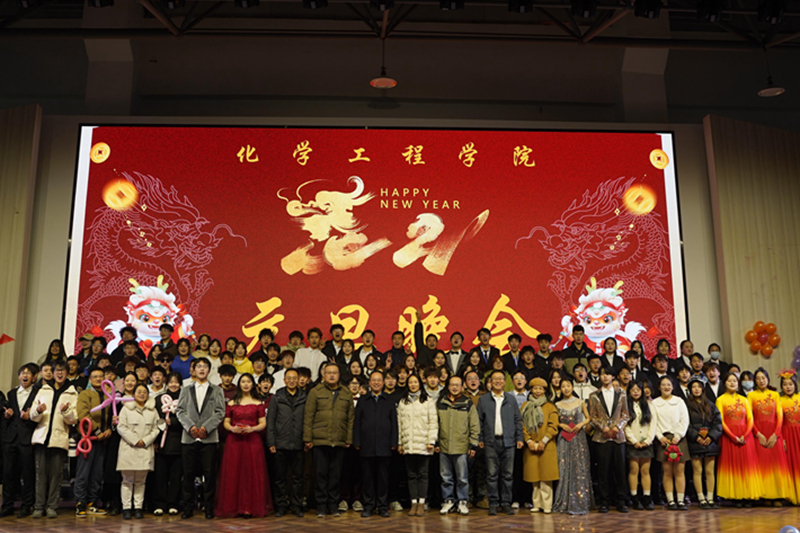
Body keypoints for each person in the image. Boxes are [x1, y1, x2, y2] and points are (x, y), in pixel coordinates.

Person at [175, 357, 226, 519]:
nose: (202, 369)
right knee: (188, 474)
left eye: (205, 366)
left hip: (209, 439)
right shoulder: (185, 389)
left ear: (209, 370)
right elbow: (180, 411)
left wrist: (206, 427)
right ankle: (188, 508)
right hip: (189, 438)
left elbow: (220, 412)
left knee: (209, 475)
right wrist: (190, 426)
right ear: (193, 370)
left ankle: (208, 508)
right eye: (199, 366)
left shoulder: (217, 390)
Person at [303, 362, 355, 517]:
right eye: (329, 372)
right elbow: (308, 416)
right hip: (320, 440)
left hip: (339, 440)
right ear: (324, 375)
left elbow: (350, 419)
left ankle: (333, 505)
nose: (332, 375)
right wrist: (307, 438)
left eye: (335, 373)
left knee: (335, 476)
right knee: (320, 475)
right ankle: (320, 506)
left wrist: (349, 439)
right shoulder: (315, 392)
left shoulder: (346, 393)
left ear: (339, 375)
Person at [216, 373, 270, 518]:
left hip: (253, 441)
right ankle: (234, 507)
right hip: (234, 441)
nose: (246, 384)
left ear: (253, 384)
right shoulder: (232, 403)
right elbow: (226, 422)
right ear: (239, 384)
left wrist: (252, 429)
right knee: (234, 474)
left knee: (252, 474)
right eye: (243, 382)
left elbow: (263, 423)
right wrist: (232, 429)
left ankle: (249, 507)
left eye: (248, 381)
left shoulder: (258, 403)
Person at [29, 361, 78, 519]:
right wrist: (38, 411)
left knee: (56, 476)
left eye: (63, 371)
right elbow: (32, 416)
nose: (60, 373)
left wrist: (66, 411)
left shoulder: (72, 393)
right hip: (41, 438)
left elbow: (74, 420)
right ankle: (38, 506)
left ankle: (51, 506)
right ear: (53, 372)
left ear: (67, 373)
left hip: (59, 438)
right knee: (40, 475)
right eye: (57, 370)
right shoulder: (43, 390)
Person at [476, 370, 523, 516]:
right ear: (490, 382)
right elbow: (479, 421)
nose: (497, 381)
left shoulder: (511, 399)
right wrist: (480, 439)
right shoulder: (483, 400)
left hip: (508, 442)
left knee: (508, 475)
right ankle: (493, 503)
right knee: (491, 474)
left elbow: (517, 420)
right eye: (494, 379)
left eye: (500, 379)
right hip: (490, 442)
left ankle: (506, 503)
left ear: (504, 382)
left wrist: (519, 438)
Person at [749, 367, 797, 505]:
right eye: (758, 378)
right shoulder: (751, 396)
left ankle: (778, 496)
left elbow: (780, 417)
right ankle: (765, 497)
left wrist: (775, 435)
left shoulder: (775, 395)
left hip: (775, 433)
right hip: (759, 434)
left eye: (763, 378)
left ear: (768, 379)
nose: (761, 381)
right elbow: (750, 418)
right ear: (755, 381)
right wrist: (758, 434)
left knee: (777, 465)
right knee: (762, 466)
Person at [353, 370, 398, 518]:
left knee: (383, 479)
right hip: (366, 445)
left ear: (383, 383)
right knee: (367, 478)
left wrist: (394, 442)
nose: (376, 383)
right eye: (374, 380)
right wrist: (357, 441)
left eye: (379, 380)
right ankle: (368, 506)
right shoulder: (363, 400)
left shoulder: (389, 400)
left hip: (384, 445)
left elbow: (394, 423)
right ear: (370, 383)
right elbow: (357, 423)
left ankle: (382, 506)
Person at [715, 372, 763, 507]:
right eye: (729, 381)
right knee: (733, 466)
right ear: (724, 383)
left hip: (745, 436)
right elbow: (720, 421)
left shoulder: (744, 399)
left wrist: (745, 434)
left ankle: (748, 496)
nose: (732, 383)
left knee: (747, 466)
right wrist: (733, 436)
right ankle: (736, 497)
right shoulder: (720, 400)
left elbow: (750, 419)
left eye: (735, 381)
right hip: (729, 437)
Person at [588, 366, 630, 513]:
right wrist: (603, 427)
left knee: (620, 470)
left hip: (618, 437)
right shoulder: (594, 395)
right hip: (602, 437)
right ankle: (604, 501)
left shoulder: (621, 394)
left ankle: (621, 501)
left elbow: (626, 415)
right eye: (602, 374)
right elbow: (593, 416)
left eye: (608, 374)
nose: (605, 377)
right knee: (602, 471)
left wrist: (617, 427)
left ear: (613, 377)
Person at [436, 375, 479, 516]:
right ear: (448, 386)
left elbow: (474, 425)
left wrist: (473, 444)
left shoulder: (467, 403)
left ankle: (462, 501)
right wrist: (435, 442)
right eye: (452, 384)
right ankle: (448, 500)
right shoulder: (441, 402)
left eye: (457, 385)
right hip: (444, 445)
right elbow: (435, 423)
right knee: (445, 477)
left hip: (462, 446)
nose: (454, 387)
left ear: (462, 387)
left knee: (462, 478)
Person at [267, 368, 307, 517]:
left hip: (299, 443)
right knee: (280, 478)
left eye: (294, 378)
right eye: (288, 378)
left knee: (298, 478)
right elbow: (270, 421)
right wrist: (271, 442)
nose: (291, 381)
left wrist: (307, 440)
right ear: (284, 380)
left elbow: (308, 420)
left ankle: (296, 506)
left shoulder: (304, 397)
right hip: (280, 443)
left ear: (298, 380)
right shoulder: (277, 397)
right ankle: (281, 506)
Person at [117, 384, 160, 519]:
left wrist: (146, 441)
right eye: (139, 392)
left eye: (144, 392)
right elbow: (121, 427)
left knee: (141, 481)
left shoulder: (153, 410)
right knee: (127, 481)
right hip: (129, 448)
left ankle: (138, 508)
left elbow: (156, 428)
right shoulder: (126, 409)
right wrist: (135, 440)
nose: (142, 394)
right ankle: (126, 508)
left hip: (145, 449)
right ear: (133, 394)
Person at [396, 373, 437, 517]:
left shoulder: (428, 401)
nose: (413, 385)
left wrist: (431, 441)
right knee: (411, 475)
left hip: (424, 445)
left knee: (423, 475)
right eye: (410, 382)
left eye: (415, 382)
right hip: (408, 444)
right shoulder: (403, 402)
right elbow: (399, 424)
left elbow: (433, 422)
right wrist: (400, 443)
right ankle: (413, 503)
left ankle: (421, 503)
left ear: (420, 384)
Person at [74, 367, 112, 517]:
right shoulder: (85, 394)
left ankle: (92, 502)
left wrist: (109, 429)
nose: (98, 379)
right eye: (95, 376)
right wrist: (97, 431)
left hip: (102, 441)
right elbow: (83, 414)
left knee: (97, 474)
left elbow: (111, 415)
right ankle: (80, 503)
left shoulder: (108, 395)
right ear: (90, 379)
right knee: (83, 473)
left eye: (100, 376)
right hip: (88, 439)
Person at [2, 363, 39, 518]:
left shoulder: (38, 393)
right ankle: (7, 505)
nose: (25, 375)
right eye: (22, 373)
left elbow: (38, 416)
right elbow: (7, 415)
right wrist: (7, 416)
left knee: (28, 474)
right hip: (11, 439)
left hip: (27, 438)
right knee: (8, 473)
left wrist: (29, 417)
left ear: (34, 377)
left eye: (28, 373)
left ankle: (26, 506)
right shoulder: (11, 393)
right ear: (18, 376)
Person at [553, 378, 593, 515]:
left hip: (578, 437)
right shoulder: (557, 404)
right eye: (563, 386)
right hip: (564, 438)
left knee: (579, 467)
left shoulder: (580, 402)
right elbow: (554, 421)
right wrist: (561, 425)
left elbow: (588, 417)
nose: (566, 388)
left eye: (568, 385)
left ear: (572, 387)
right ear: (560, 389)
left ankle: (580, 500)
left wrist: (581, 424)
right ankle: (563, 501)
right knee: (563, 467)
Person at [651, 375, 690, 510]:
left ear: (673, 387)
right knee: (667, 471)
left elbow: (685, 420)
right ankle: (671, 501)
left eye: (669, 384)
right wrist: (660, 436)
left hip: (679, 438)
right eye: (663, 385)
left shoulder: (679, 401)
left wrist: (678, 435)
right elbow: (653, 422)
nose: (666, 387)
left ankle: (680, 500)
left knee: (680, 470)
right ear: (659, 387)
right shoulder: (654, 403)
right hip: (663, 440)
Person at [520, 377, 558, 514]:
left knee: (546, 477)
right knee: (533, 477)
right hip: (530, 446)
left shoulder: (550, 406)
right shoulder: (525, 406)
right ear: (531, 390)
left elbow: (553, 425)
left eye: (540, 388)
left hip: (547, 445)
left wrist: (544, 441)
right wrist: (529, 440)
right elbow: (522, 425)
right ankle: (536, 503)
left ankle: (547, 505)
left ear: (544, 390)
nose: (537, 391)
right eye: (535, 388)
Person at [685, 376, 722, 509]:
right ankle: (701, 498)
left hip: (710, 443)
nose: (696, 389)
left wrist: (711, 437)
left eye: (699, 387)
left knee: (710, 471)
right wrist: (696, 437)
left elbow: (718, 423)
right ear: (690, 389)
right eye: (693, 387)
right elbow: (685, 424)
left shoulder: (710, 404)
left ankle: (710, 498)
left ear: (703, 389)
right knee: (697, 471)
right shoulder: (686, 405)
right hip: (695, 442)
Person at [624, 380, 656, 511]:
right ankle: (634, 497)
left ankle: (647, 497)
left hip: (647, 443)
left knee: (645, 471)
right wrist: (634, 441)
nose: (636, 392)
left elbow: (653, 424)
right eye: (633, 390)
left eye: (638, 389)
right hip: (632, 443)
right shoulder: (626, 406)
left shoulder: (649, 406)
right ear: (629, 392)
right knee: (634, 470)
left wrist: (648, 440)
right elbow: (625, 426)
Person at [154, 372, 183, 516]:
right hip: (161, 443)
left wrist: (174, 422)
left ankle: (173, 504)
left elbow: (188, 418)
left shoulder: (185, 398)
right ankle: (160, 504)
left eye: (176, 382)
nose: (173, 385)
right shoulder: (159, 399)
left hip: (179, 442)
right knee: (160, 476)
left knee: (176, 477)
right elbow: (154, 419)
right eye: (171, 382)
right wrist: (155, 440)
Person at [779, 370, 800, 505]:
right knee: (790, 465)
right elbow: (779, 422)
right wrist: (782, 439)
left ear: (795, 385)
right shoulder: (779, 400)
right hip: (787, 434)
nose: (788, 387)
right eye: (785, 384)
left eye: (790, 384)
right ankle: (793, 496)